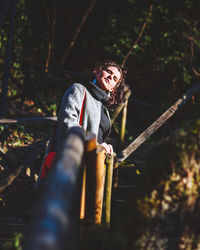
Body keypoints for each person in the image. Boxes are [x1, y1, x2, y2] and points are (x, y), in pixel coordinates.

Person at [36, 60, 127, 186]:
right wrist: (94, 144)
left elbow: (97, 134)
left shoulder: (103, 107)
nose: (111, 77)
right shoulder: (79, 89)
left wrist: (103, 146)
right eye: (108, 72)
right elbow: (68, 123)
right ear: (97, 71)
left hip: (91, 164)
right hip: (71, 161)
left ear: (114, 88)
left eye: (115, 78)